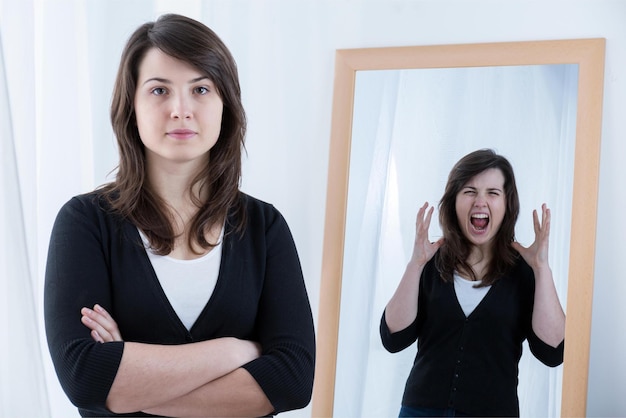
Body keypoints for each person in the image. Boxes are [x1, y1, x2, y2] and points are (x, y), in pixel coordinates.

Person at [44, 14, 315, 418]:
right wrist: (237, 351)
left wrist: (129, 381)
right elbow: (84, 378)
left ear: (225, 104)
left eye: (201, 88)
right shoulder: (85, 222)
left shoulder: (264, 227)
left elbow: (293, 382)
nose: (180, 110)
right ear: (131, 107)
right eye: (159, 90)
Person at [380, 149, 565, 417]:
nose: (480, 201)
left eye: (492, 192)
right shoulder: (431, 262)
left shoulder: (524, 272)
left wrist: (541, 268)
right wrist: (415, 264)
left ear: (507, 205)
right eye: (469, 191)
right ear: (454, 202)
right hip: (421, 410)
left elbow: (552, 351)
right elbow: (393, 337)